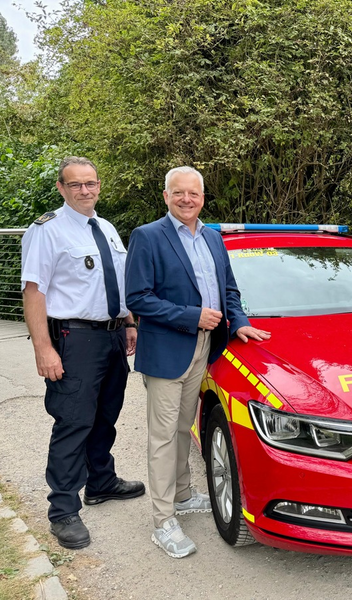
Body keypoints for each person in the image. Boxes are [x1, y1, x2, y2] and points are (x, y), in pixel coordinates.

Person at [125, 166, 271, 559]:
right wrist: (192, 316)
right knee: (162, 437)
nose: (187, 199)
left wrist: (238, 324)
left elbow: (228, 290)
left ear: (203, 197)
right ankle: (163, 520)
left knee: (180, 428)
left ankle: (185, 495)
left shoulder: (212, 237)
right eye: (179, 193)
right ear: (166, 195)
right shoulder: (148, 236)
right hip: (167, 352)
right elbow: (137, 298)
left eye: (194, 193)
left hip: (206, 347)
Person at [21, 156, 145, 550]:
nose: (84, 191)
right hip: (73, 339)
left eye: (90, 183)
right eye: (75, 185)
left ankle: (101, 483)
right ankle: (62, 510)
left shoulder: (105, 227)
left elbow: (119, 282)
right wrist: (44, 347)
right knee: (73, 421)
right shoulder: (47, 231)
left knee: (106, 414)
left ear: (99, 185)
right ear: (61, 187)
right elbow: (34, 292)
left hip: (110, 336)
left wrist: (128, 323)